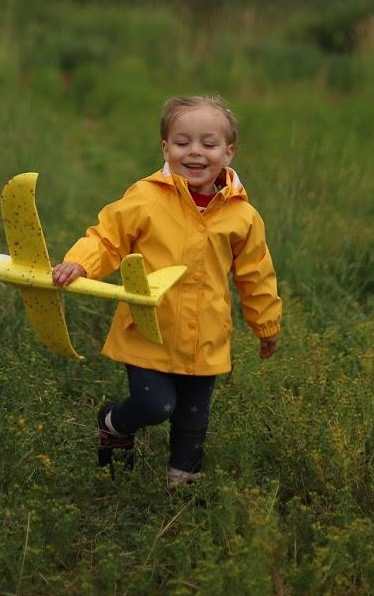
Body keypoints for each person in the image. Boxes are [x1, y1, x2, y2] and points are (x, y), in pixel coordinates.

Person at [52, 95, 281, 485]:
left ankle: (183, 487)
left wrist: (266, 324)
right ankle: (112, 423)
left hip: (205, 335)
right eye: (182, 142)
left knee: (193, 417)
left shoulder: (242, 216)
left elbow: (256, 274)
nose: (195, 152)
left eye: (208, 144)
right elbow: (107, 238)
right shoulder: (147, 198)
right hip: (148, 328)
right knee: (155, 405)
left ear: (228, 152)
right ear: (165, 148)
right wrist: (81, 263)